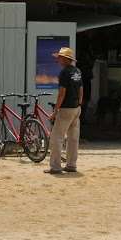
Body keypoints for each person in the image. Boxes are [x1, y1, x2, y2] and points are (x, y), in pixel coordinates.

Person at [47, 46, 83, 175]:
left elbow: (62, 93)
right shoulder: (77, 71)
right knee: (73, 138)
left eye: (60, 58)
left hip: (66, 108)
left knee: (56, 137)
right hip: (75, 108)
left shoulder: (64, 73)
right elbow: (80, 89)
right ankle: (71, 165)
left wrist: (55, 111)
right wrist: (79, 103)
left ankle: (56, 167)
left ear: (66, 59)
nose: (58, 60)